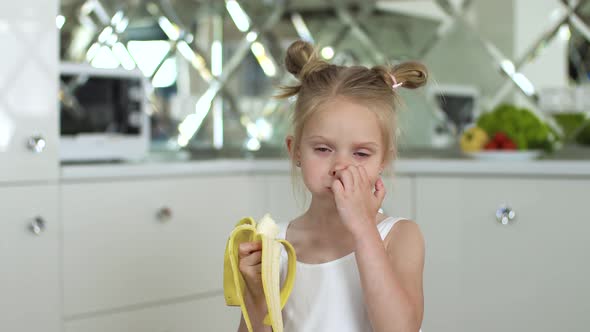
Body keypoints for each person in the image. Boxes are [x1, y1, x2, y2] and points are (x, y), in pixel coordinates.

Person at [236, 40, 427, 332]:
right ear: (295, 150)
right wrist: (257, 298)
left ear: (383, 161)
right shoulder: (276, 248)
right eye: (323, 149)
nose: (340, 166)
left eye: (361, 153)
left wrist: (364, 228)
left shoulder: (399, 237)